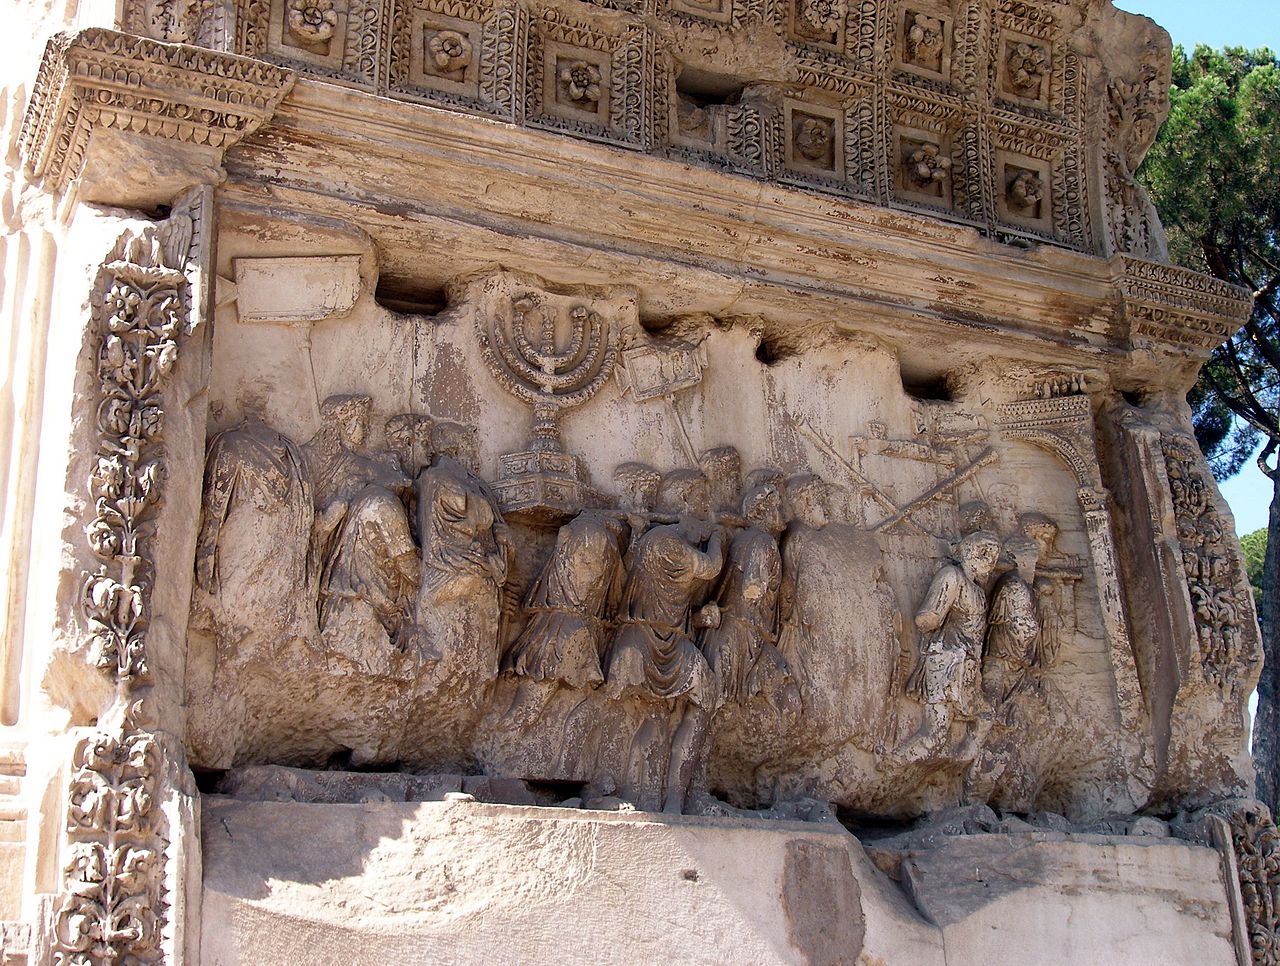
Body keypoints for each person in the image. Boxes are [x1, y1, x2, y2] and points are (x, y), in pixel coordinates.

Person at [603, 469, 726, 813]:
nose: (707, 506)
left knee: (706, 692)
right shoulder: (665, 544)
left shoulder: (662, 539)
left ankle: (678, 792)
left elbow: (678, 603)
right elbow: (711, 567)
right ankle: (642, 795)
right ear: (682, 503)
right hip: (644, 639)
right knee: (654, 717)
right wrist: (717, 536)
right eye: (701, 499)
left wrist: (701, 618)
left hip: (672, 639)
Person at [304, 395, 419, 651]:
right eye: (360, 423)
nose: (365, 430)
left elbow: (395, 480)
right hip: (342, 554)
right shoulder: (323, 462)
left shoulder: (358, 465)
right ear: (343, 425)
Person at [896, 529, 1002, 763]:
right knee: (936, 733)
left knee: (984, 716)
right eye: (985, 551)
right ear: (970, 550)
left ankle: (955, 764)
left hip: (966, 664)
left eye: (993, 553)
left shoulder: (976, 589)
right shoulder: (951, 577)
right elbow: (926, 618)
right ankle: (893, 764)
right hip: (945, 661)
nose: (990, 559)